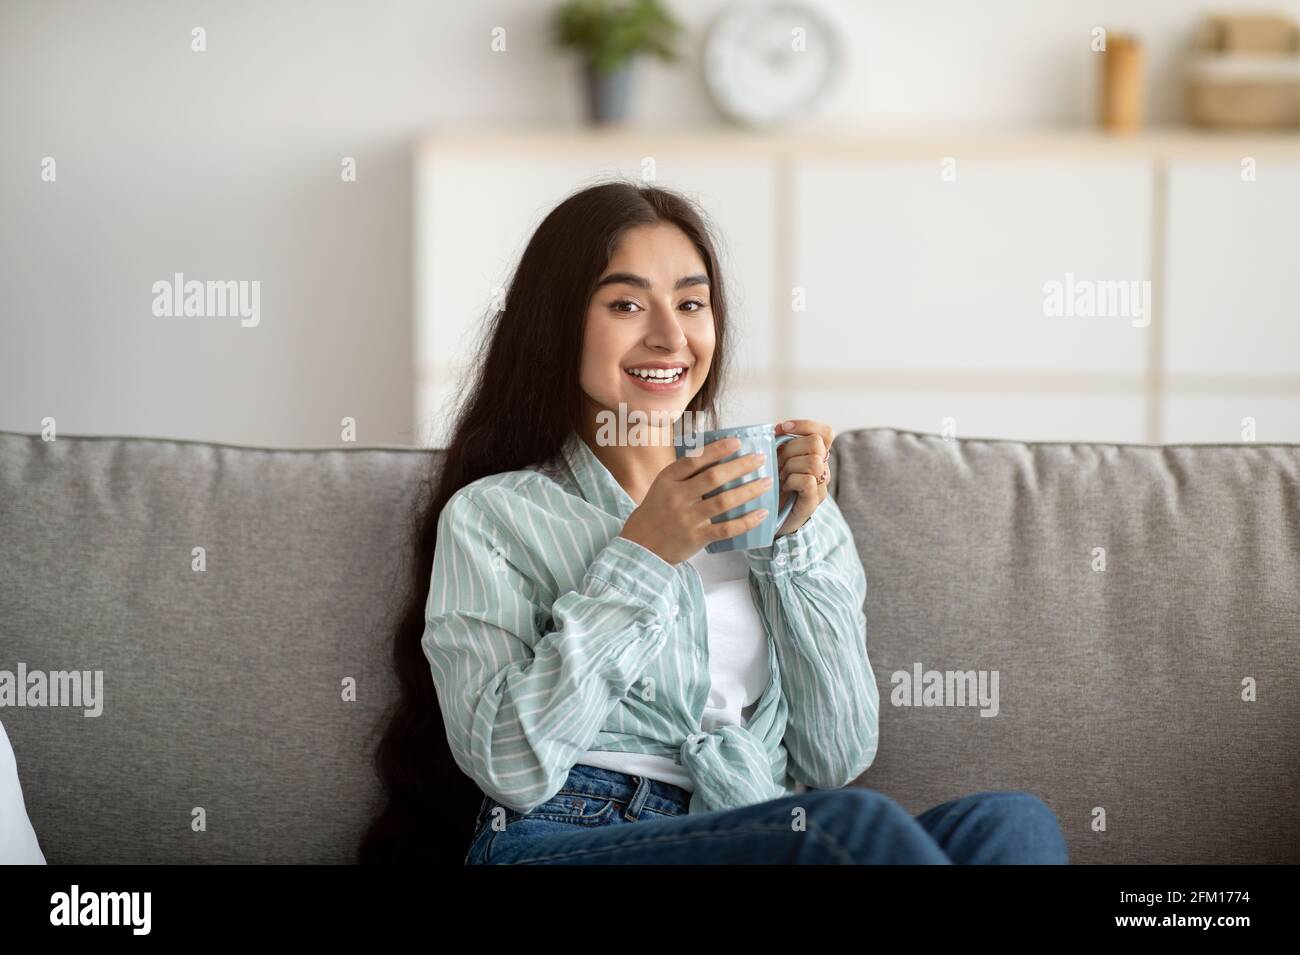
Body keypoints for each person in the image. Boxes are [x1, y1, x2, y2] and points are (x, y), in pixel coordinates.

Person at [359, 181, 1069, 865]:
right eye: (627, 304)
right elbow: (512, 764)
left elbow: (836, 756)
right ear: (557, 323)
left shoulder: (770, 503)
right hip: (563, 833)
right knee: (846, 829)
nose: (670, 337)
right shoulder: (494, 515)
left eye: (691, 303)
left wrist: (795, 543)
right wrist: (645, 552)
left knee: (1011, 824)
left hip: (750, 819)